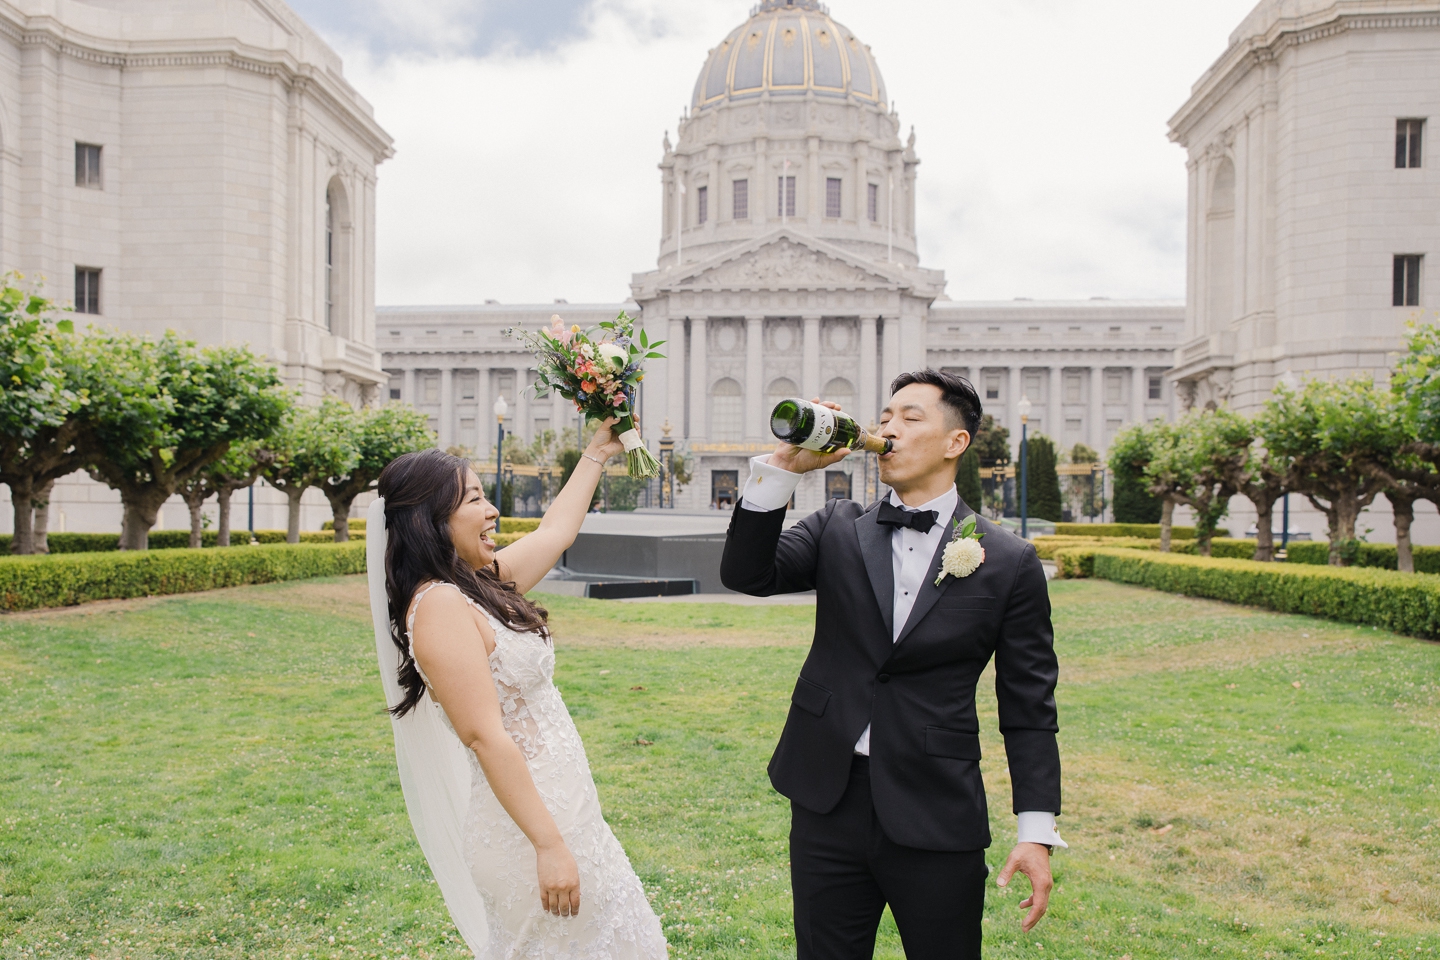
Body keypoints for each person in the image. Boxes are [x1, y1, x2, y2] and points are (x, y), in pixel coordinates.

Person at [720, 369, 1064, 960]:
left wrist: (1036, 832)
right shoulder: (836, 526)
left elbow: (1029, 704)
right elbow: (747, 574)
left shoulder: (1009, 561)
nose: (888, 429)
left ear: (956, 443)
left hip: (935, 806)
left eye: (910, 418)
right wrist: (782, 469)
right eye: (885, 418)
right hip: (828, 796)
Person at [370, 421, 666, 959]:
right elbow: (485, 737)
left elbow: (556, 533)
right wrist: (548, 845)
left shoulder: (476, 583)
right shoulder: (438, 605)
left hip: (569, 807)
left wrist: (597, 453)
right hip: (528, 830)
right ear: (431, 520)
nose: (492, 512)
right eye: (476, 499)